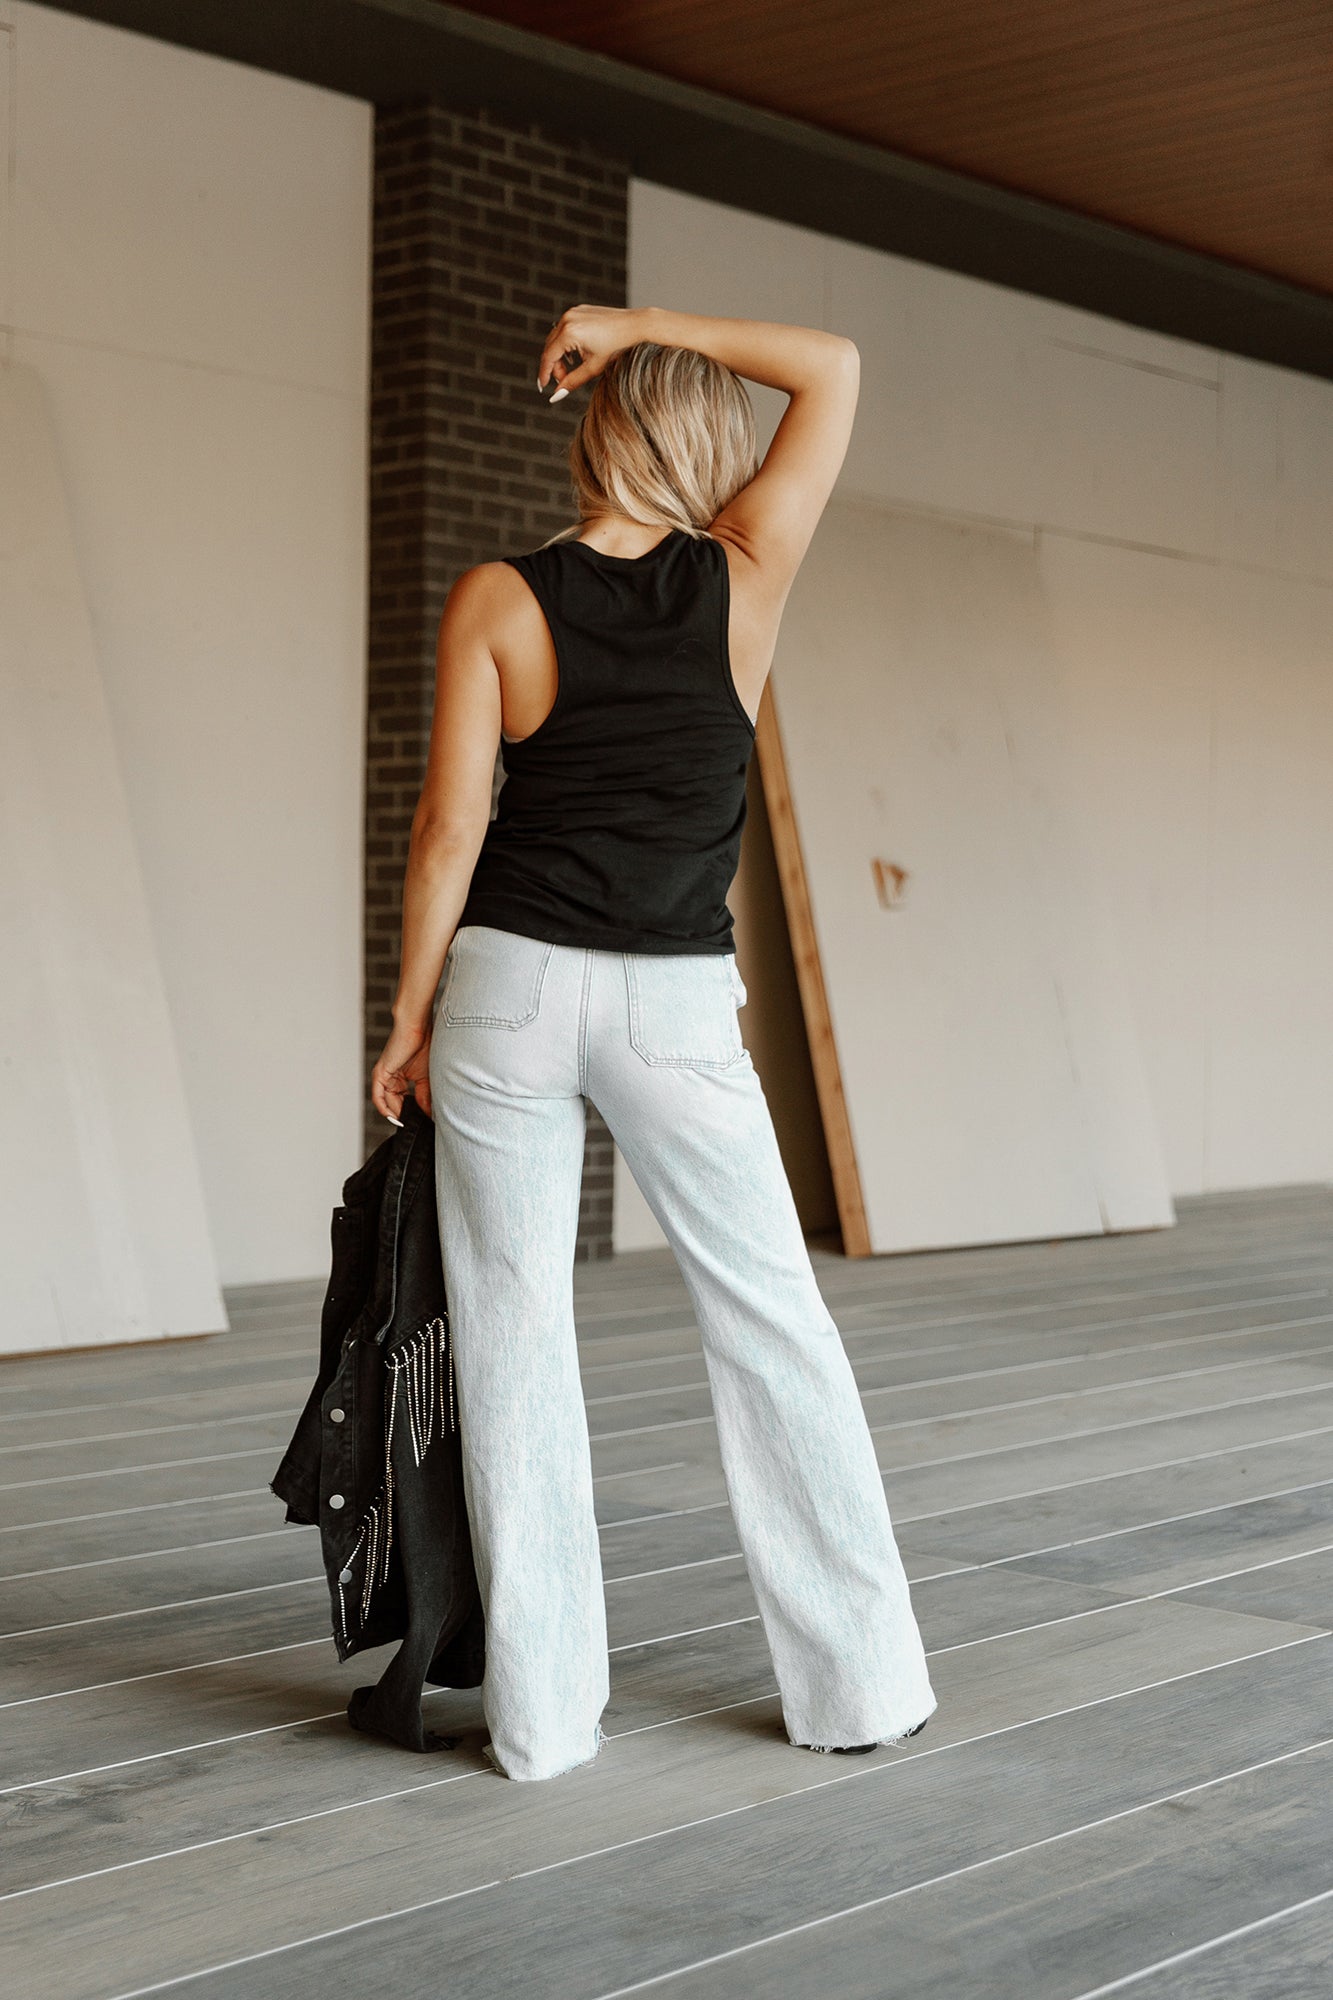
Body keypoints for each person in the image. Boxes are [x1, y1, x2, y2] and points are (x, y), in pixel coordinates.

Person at [370, 305, 937, 1782]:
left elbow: (448, 829)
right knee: (771, 1323)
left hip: (505, 986)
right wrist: (640, 325)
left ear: (596, 435)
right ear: (707, 450)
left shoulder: (498, 597)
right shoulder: (744, 577)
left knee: (512, 1337)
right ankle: (860, 1691)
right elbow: (835, 365)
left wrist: (409, 1014)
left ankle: (543, 1723)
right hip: (672, 999)